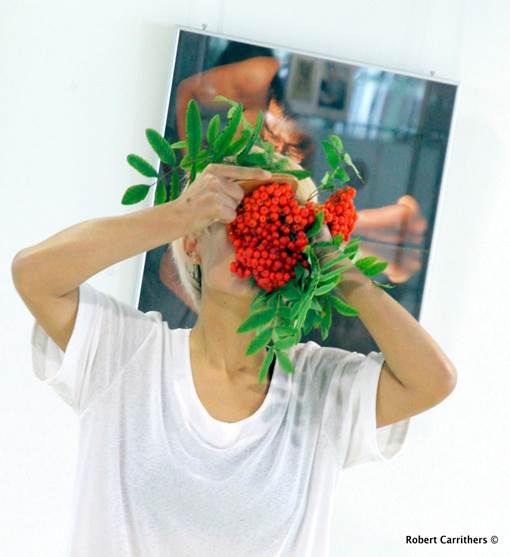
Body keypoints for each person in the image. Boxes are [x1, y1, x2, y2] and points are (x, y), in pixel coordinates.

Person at [12, 160, 455, 556]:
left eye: (280, 222)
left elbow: (433, 380)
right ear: (193, 242)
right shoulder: (126, 352)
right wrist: (179, 215)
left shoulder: (319, 390)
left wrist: (332, 263)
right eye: (236, 210)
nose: (255, 232)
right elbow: (34, 274)